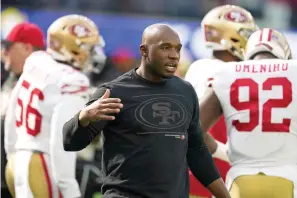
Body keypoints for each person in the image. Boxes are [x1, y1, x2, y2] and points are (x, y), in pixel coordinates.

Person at [62, 23, 231, 198]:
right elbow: (71, 143)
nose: (174, 55)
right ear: (144, 50)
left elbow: (197, 152)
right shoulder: (114, 92)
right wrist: (83, 117)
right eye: (165, 48)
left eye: (177, 49)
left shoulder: (185, 92)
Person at [4, 14, 105, 198]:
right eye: (88, 47)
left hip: (18, 159)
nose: (92, 53)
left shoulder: (37, 61)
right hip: (42, 164)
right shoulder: (73, 80)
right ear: (74, 47)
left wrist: (12, 154)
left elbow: (13, 111)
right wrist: (70, 190)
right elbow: (61, 143)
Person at [199, 28, 296, 198]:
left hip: (240, 181)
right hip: (289, 181)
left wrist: (223, 152)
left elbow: (193, 129)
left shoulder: (226, 72)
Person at [185, 5, 258, 198]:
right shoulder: (226, 71)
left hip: (196, 171)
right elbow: (195, 129)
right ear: (232, 36)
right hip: (214, 173)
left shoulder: (199, 67)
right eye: (246, 34)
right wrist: (228, 154)